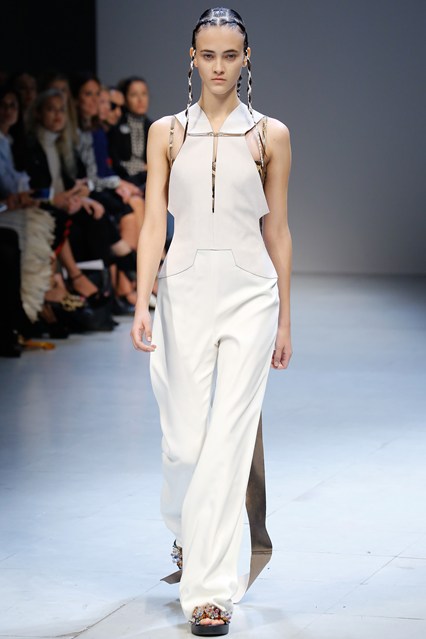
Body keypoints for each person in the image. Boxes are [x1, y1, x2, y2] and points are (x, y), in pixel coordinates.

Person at [130, 7, 292, 636]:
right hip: (184, 290)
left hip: (252, 294)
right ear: (192, 58)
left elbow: (278, 230)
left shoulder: (271, 135)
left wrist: (285, 318)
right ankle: (186, 532)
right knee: (183, 444)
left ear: (246, 59)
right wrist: (141, 300)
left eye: (230, 55)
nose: (218, 67)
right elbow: (153, 222)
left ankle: (208, 591)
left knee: (228, 439)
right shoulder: (167, 133)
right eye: (208, 55)